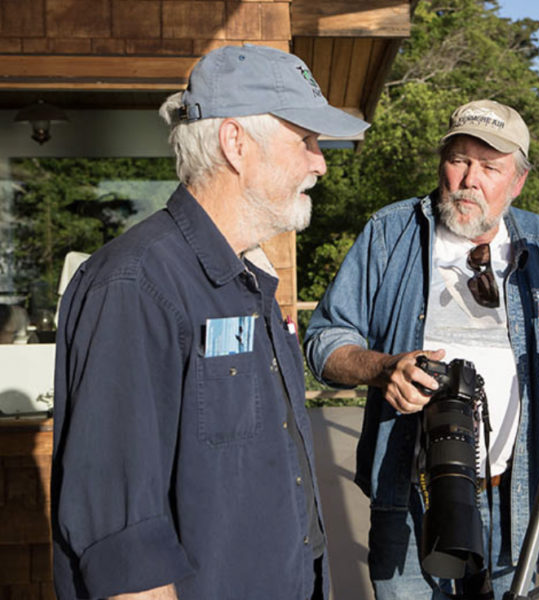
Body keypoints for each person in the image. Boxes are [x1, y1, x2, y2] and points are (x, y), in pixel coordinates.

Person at [51, 44, 368, 600]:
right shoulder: (135, 285)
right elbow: (121, 535)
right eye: (306, 140)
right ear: (236, 144)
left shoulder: (248, 280)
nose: (320, 161)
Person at [304, 99, 539, 598]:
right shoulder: (390, 235)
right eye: (460, 159)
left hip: (518, 496)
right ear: (440, 163)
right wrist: (383, 369)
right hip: (409, 493)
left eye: (490, 167)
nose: (470, 179)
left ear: (517, 182)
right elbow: (324, 341)